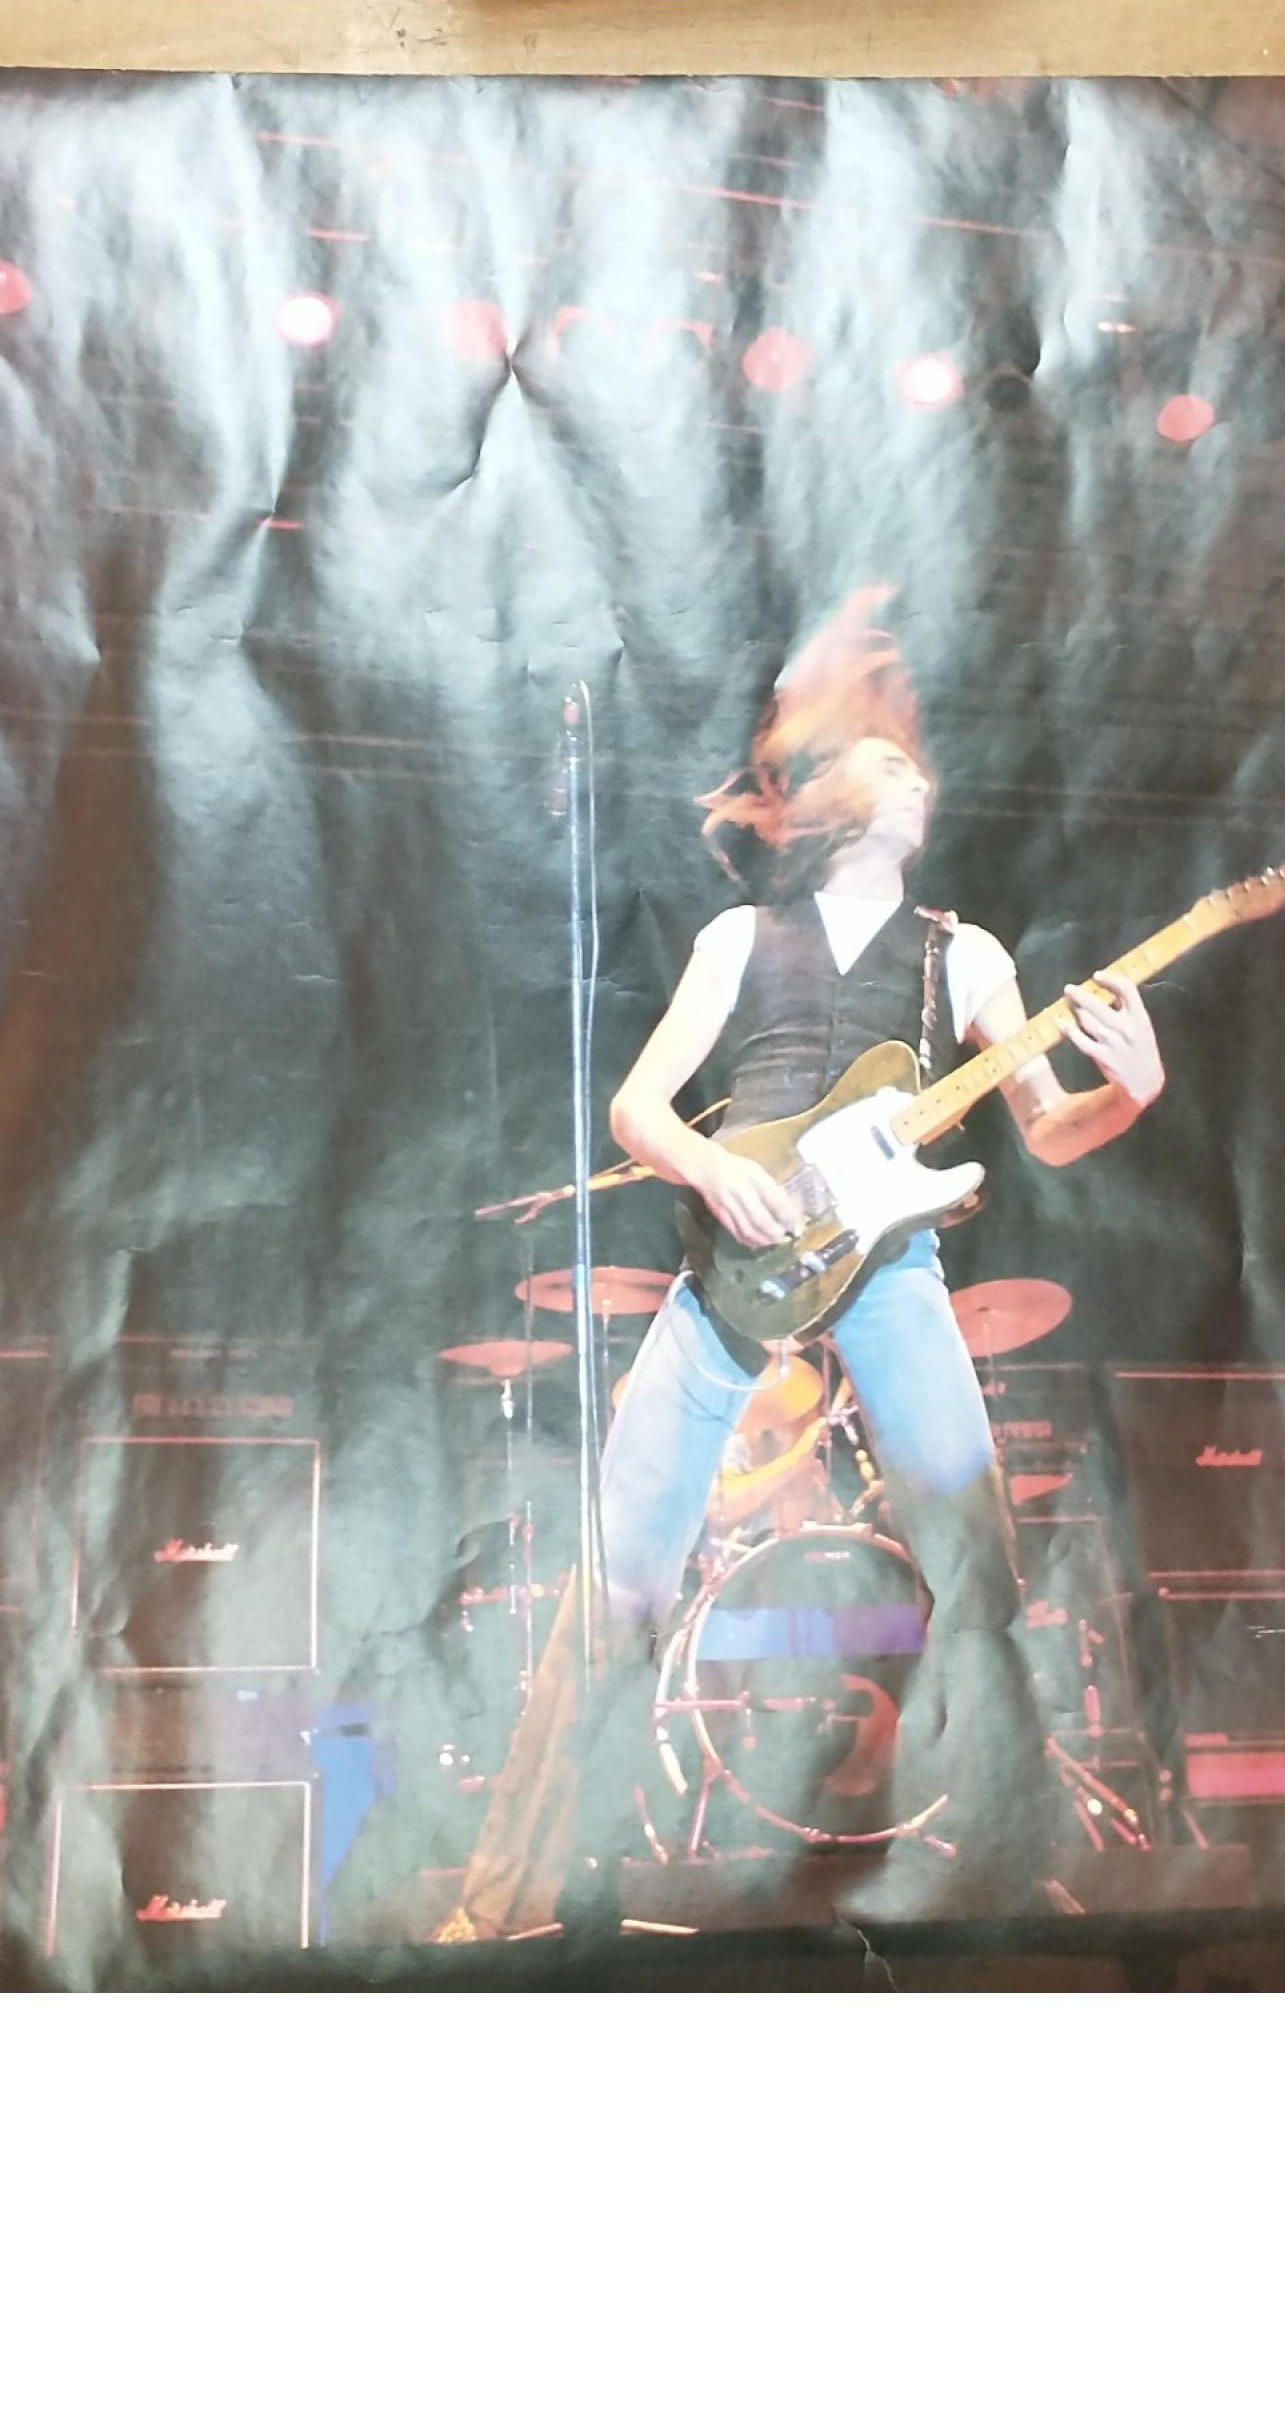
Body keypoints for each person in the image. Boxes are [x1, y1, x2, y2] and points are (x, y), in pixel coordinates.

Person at [441, 590, 1167, 1940]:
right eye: (885, 760)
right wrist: (710, 1167)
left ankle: (1000, 1870)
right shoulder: (738, 941)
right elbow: (639, 1111)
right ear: (827, 798)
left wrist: (1129, 1091)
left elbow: (1051, 1129)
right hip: (739, 1262)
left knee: (978, 1562)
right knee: (621, 1574)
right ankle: (522, 1900)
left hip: (889, 1265)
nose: (914, 776)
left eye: (920, 768)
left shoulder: (966, 955)